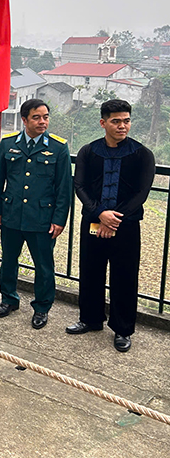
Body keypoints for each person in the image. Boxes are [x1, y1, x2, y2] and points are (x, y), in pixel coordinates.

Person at [67, 99, 155, 353]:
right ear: (103, 123)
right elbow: (80, 186)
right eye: (116, 121)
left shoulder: (142, 154)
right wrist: (99, 213)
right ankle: (90, 319)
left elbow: (141, 192)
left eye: (126, 121)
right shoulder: (88, 151)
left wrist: (114, 218)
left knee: (124, 276)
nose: (122, 126)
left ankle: (123, 329)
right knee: (90, 271)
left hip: (126, 226)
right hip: (93, 222)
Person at [0, 99, 72, 329]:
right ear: (24, 120)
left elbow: (64, 189)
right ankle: (8, 299)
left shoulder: (58, 147)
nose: (42, 121)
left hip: (42, 218)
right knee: (8, 261)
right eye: (36, 117)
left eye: (45, 117)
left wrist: (59, 220)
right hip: (12, 215)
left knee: (44, 266)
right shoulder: (8, 144)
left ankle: (42, 307)